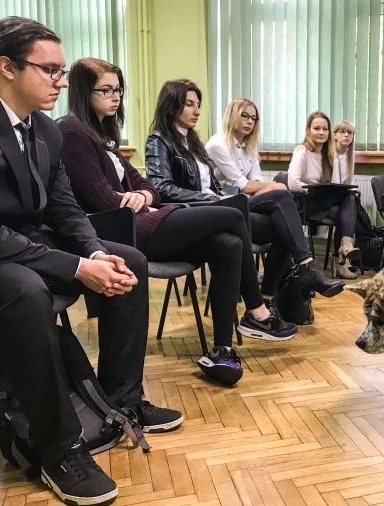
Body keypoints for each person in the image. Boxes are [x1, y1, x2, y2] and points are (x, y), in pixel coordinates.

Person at [0, 16, 182, 506]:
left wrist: (94, 252)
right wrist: (73, 268)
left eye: (62, 69)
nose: (62, 80)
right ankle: (59, 450)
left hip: (27, 241)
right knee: (26, 292)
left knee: (126, 258)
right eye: (48, 69)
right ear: (5, 67)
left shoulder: (45, 129)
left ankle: (122, 402)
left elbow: (66, 208)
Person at [59, 59, 274, 386]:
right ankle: (257, 310)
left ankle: (222, 349)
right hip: (123, 233)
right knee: (233, 212)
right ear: (83, 92)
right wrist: (136, 201)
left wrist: (142, 198)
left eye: (118, 90)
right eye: (106, 90)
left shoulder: (105, 137)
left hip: (145, 219)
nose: (115, 97)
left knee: (228, 243)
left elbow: (149, 188)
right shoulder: (72, 131)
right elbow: (101, 200)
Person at [144, 79, 299, 347]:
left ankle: (260, 305)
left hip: (213, 209)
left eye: (198, 105)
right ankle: (257, 310)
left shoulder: (193, 142)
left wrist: (217, 196)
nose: (197, 110)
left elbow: (212, 183)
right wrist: (214, 198)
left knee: (273, 229)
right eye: (189, 104)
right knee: (237, 213)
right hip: (187, 215)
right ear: (172, 106)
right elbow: (161, 189)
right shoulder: (159, 140)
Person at [204, 98, 343, 299]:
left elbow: (256, 181)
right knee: (280, 191)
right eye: (245, 116)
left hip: (247, 205)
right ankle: (307, 268)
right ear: (232, 115)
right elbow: (244, 185)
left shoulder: (249, 146)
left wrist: (264, 187)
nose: (250, 121)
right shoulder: (217, 144)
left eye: (254, 118)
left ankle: (268, 296)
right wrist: (272, 187)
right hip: (226, 207)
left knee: (283, 228)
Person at [288, 111, 360, 279]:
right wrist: (315, 190)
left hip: (323, 202)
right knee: (349, 202)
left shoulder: (330, 155)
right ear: (308, 131)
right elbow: (293, 183)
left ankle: (346, 245)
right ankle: (343, 256)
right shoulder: (301, 151)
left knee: (348, 197)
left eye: (325, 129)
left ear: (329, 132)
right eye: (316, 128)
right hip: (305, 202)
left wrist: (328, 192)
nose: (321, 132)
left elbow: (335, 186)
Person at [333, 119, 356, 186]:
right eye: (342, 132)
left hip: (343, 192)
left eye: (349, 132)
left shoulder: (349, 156)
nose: (346, 135)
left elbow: (350, 182)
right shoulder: (329, 154)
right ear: (335, 135)